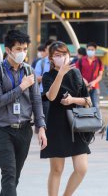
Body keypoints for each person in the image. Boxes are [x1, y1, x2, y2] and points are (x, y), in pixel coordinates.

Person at [0, 30, 47, 196]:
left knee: (15, 177)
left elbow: (36, 100)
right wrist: (21, 87)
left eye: (25, 49)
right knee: (9, 173)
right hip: (2, 128)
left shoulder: (29, 71)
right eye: (19, 49)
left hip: (24, 129)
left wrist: (41, 127)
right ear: (8, 50)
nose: (23, 53)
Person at [41, 41, 92, 196]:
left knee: (82, 168)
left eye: (64, 54)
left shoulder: (76, 73)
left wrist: (73, 100)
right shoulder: (48, 76)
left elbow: (88, 101)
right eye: (57, 55)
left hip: (77, 125)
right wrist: (61, 74)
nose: (62, 57)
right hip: (56, 125)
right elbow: (51, 96)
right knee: (57, 169)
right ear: (51, 58)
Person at [76, 42, 104, 108]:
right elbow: (77, 73)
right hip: (82, 87)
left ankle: (96, 118)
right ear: (86, 50)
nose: (90, 51)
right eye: (89, 49)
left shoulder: (98, 61)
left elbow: (100, 75)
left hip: (94, 87)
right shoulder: (81, 60)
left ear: (95, 50)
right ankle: (79, 118)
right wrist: (83, 80)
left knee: (95, 105)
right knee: (79, 105)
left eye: (92, 50)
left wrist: (94, 82)